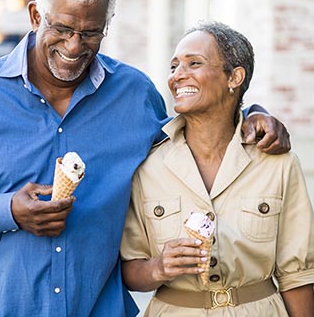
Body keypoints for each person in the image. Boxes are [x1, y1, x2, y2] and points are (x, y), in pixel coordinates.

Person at [0, 0, 291, 317]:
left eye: (90, 32)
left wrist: (250, 112)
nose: (75, 47)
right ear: (34, 16)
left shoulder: (133, 94)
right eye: (61, 29)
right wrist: (6, 210)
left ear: (105, 27)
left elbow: (191, 136)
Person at [120, 21, 314, 316]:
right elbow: (129, 269)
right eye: (174, 67)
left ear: (234, 77)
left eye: (194, 63)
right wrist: (159, 267)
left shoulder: (277, 163)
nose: (178, 75)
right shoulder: (148, 164)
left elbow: (297, 275)